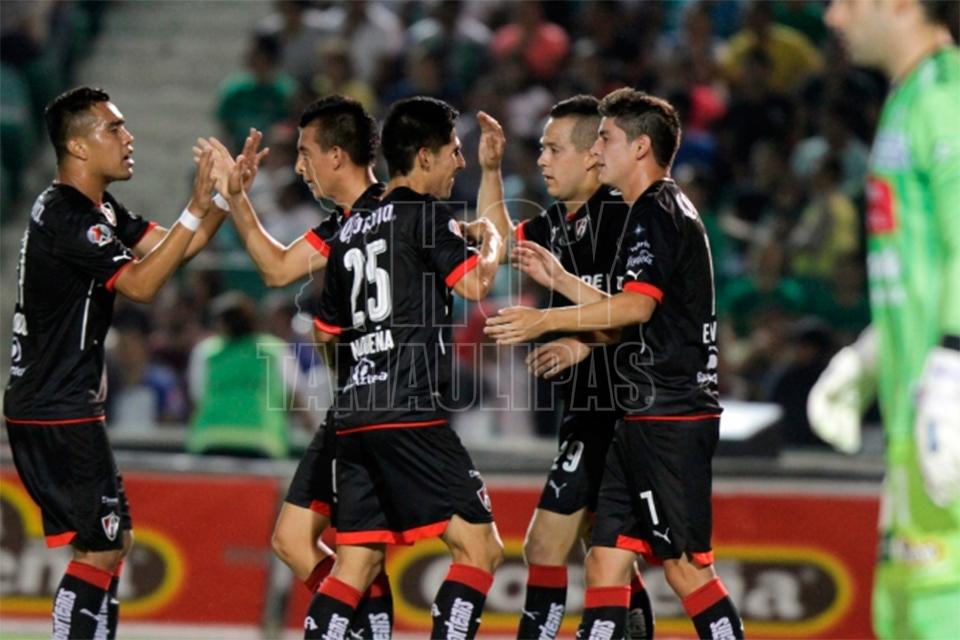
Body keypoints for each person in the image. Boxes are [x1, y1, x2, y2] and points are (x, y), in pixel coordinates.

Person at [485, 88, 744, 639]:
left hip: (671, 414)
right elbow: (628, 304)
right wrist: (559, 281)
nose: (597, 150)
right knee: (605, 562)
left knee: (686, 569)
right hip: (637, 414)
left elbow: (635, 308)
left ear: (640, 146)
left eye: (605, 138)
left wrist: (548, 322)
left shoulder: (655, 213)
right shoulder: (643, 211)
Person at [2, 86, 222, 640]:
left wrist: (223, 198)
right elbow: (143, 285)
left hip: (55, 401)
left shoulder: (96, 209)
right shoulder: (68, 216)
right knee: (101, 549)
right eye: (114, 128)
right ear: (78, 146)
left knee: (113, 541)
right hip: (58, 404)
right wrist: (197, 207)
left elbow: (176, 249)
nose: (128, 138)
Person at [305, 96, 504, 640]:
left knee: (355, 565)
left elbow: (325, 334)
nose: (459, 162)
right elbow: (475, 284)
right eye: (454, 151)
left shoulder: (349, 232)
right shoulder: (426, 214)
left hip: (354, 415)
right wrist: (491, 242)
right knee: (480, 549)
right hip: (409, 410)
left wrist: (362, 373)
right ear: (424, 156)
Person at [203, 94, 393, 635]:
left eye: (306, 153)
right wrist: (236, 197)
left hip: (387, 407)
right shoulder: (341, 225)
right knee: (291, 541)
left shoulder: (399, 210)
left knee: (365, 558)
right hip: (350, 404)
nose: (300, 167)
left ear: (337, 154)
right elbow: (276, 268)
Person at [807, 2, 960, 638]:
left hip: (945, 419)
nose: (833, 17)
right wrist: (873, 352)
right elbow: (933, 261)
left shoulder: (947, 96)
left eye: (847, 1)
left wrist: (954, 368)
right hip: (912, 425)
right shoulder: (907, 99)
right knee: (902, 614)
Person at [475, 96, 654, 639]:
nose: (542, 161)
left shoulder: (625, 219)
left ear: (592, 156)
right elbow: (496, 244)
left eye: (553, 149)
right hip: (585, 408)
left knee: (548, 545)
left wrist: (578, 341)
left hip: (623, 410)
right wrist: (490, 170)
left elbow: (641, 313)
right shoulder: (559, 224)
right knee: (606, 553)